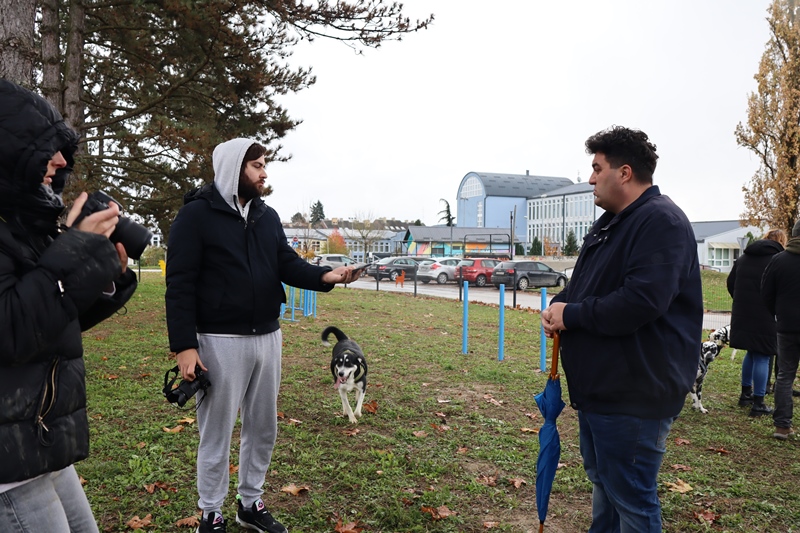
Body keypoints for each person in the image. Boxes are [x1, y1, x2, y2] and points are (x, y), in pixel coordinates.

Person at [165, 138, 362, 533]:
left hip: (268, 338)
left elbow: (285, 263)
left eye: (264, 164)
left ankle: (250, 503)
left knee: (262, 427)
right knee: (217, 432)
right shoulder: (195, 216)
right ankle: (211, 512)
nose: (264, 173)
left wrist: (326, 276)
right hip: (219, 341)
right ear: (233, 167)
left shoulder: (266, 216)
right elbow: (179, 282)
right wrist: (185, 346)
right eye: (256, 165)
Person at [541, 126, 702, 533]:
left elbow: (641, 301)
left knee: (631, 499)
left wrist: (572, 315)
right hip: (603, 389)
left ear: (624, 172)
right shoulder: (611, 223)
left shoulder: (660, 222)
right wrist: (560, 306)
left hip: (635, 393)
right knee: (606, 485)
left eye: (597, 169)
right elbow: (587, 285)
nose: (590, 179)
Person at [0, 80, 138, 531]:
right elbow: (11, 330)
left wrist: (102, 275)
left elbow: (52, 321)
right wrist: (75, 251)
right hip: (9, 464)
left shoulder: (22, 224)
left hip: (36, 435)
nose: (60, 161)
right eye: (46, 149)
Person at [726, 229, 786, 416]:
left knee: (751, 353)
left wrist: (741, 301)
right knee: (763, 355)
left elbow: (730, 283)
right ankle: (758, 403)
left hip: (743, 312)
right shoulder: (777, 260)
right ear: (781, 242)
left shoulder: (743, 258)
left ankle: (745, 394)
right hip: (765, 313)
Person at [762, 219, 800, 440]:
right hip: (786, 324)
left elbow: (766, 292)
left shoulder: (779, 260)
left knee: (785, 375)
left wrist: (778, 313)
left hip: (786, 326)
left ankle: (782, 426)